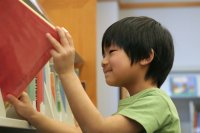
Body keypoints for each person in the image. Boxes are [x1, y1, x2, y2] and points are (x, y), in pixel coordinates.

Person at [7, 16, 181, 133]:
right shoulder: (137, 104)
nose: (103, 62)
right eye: (103, 55)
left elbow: (96, 130)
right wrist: (33, 115)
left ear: (146, 56)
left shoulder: (157, 102)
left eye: (111, 52)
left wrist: (67, 72)